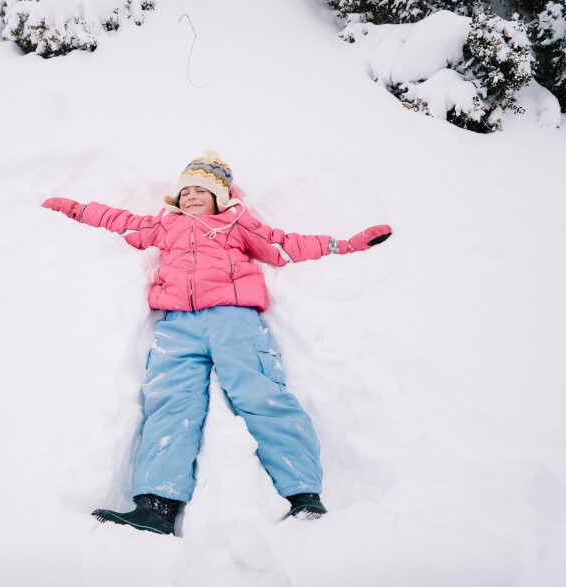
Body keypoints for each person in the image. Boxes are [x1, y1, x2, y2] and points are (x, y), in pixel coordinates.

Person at [41, 152, 392, 536]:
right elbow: (118, 221)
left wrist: (346, 245)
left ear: (219, 197)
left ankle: (304, 496)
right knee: (170, 402)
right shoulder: (164, 225)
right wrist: (74, 210)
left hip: (233, 319)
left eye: (200, 191)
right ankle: (156, 506)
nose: (191, 197)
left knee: (260, 393)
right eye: (185, 191)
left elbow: (286, 244)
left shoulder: (235, 224)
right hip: (178, 325)